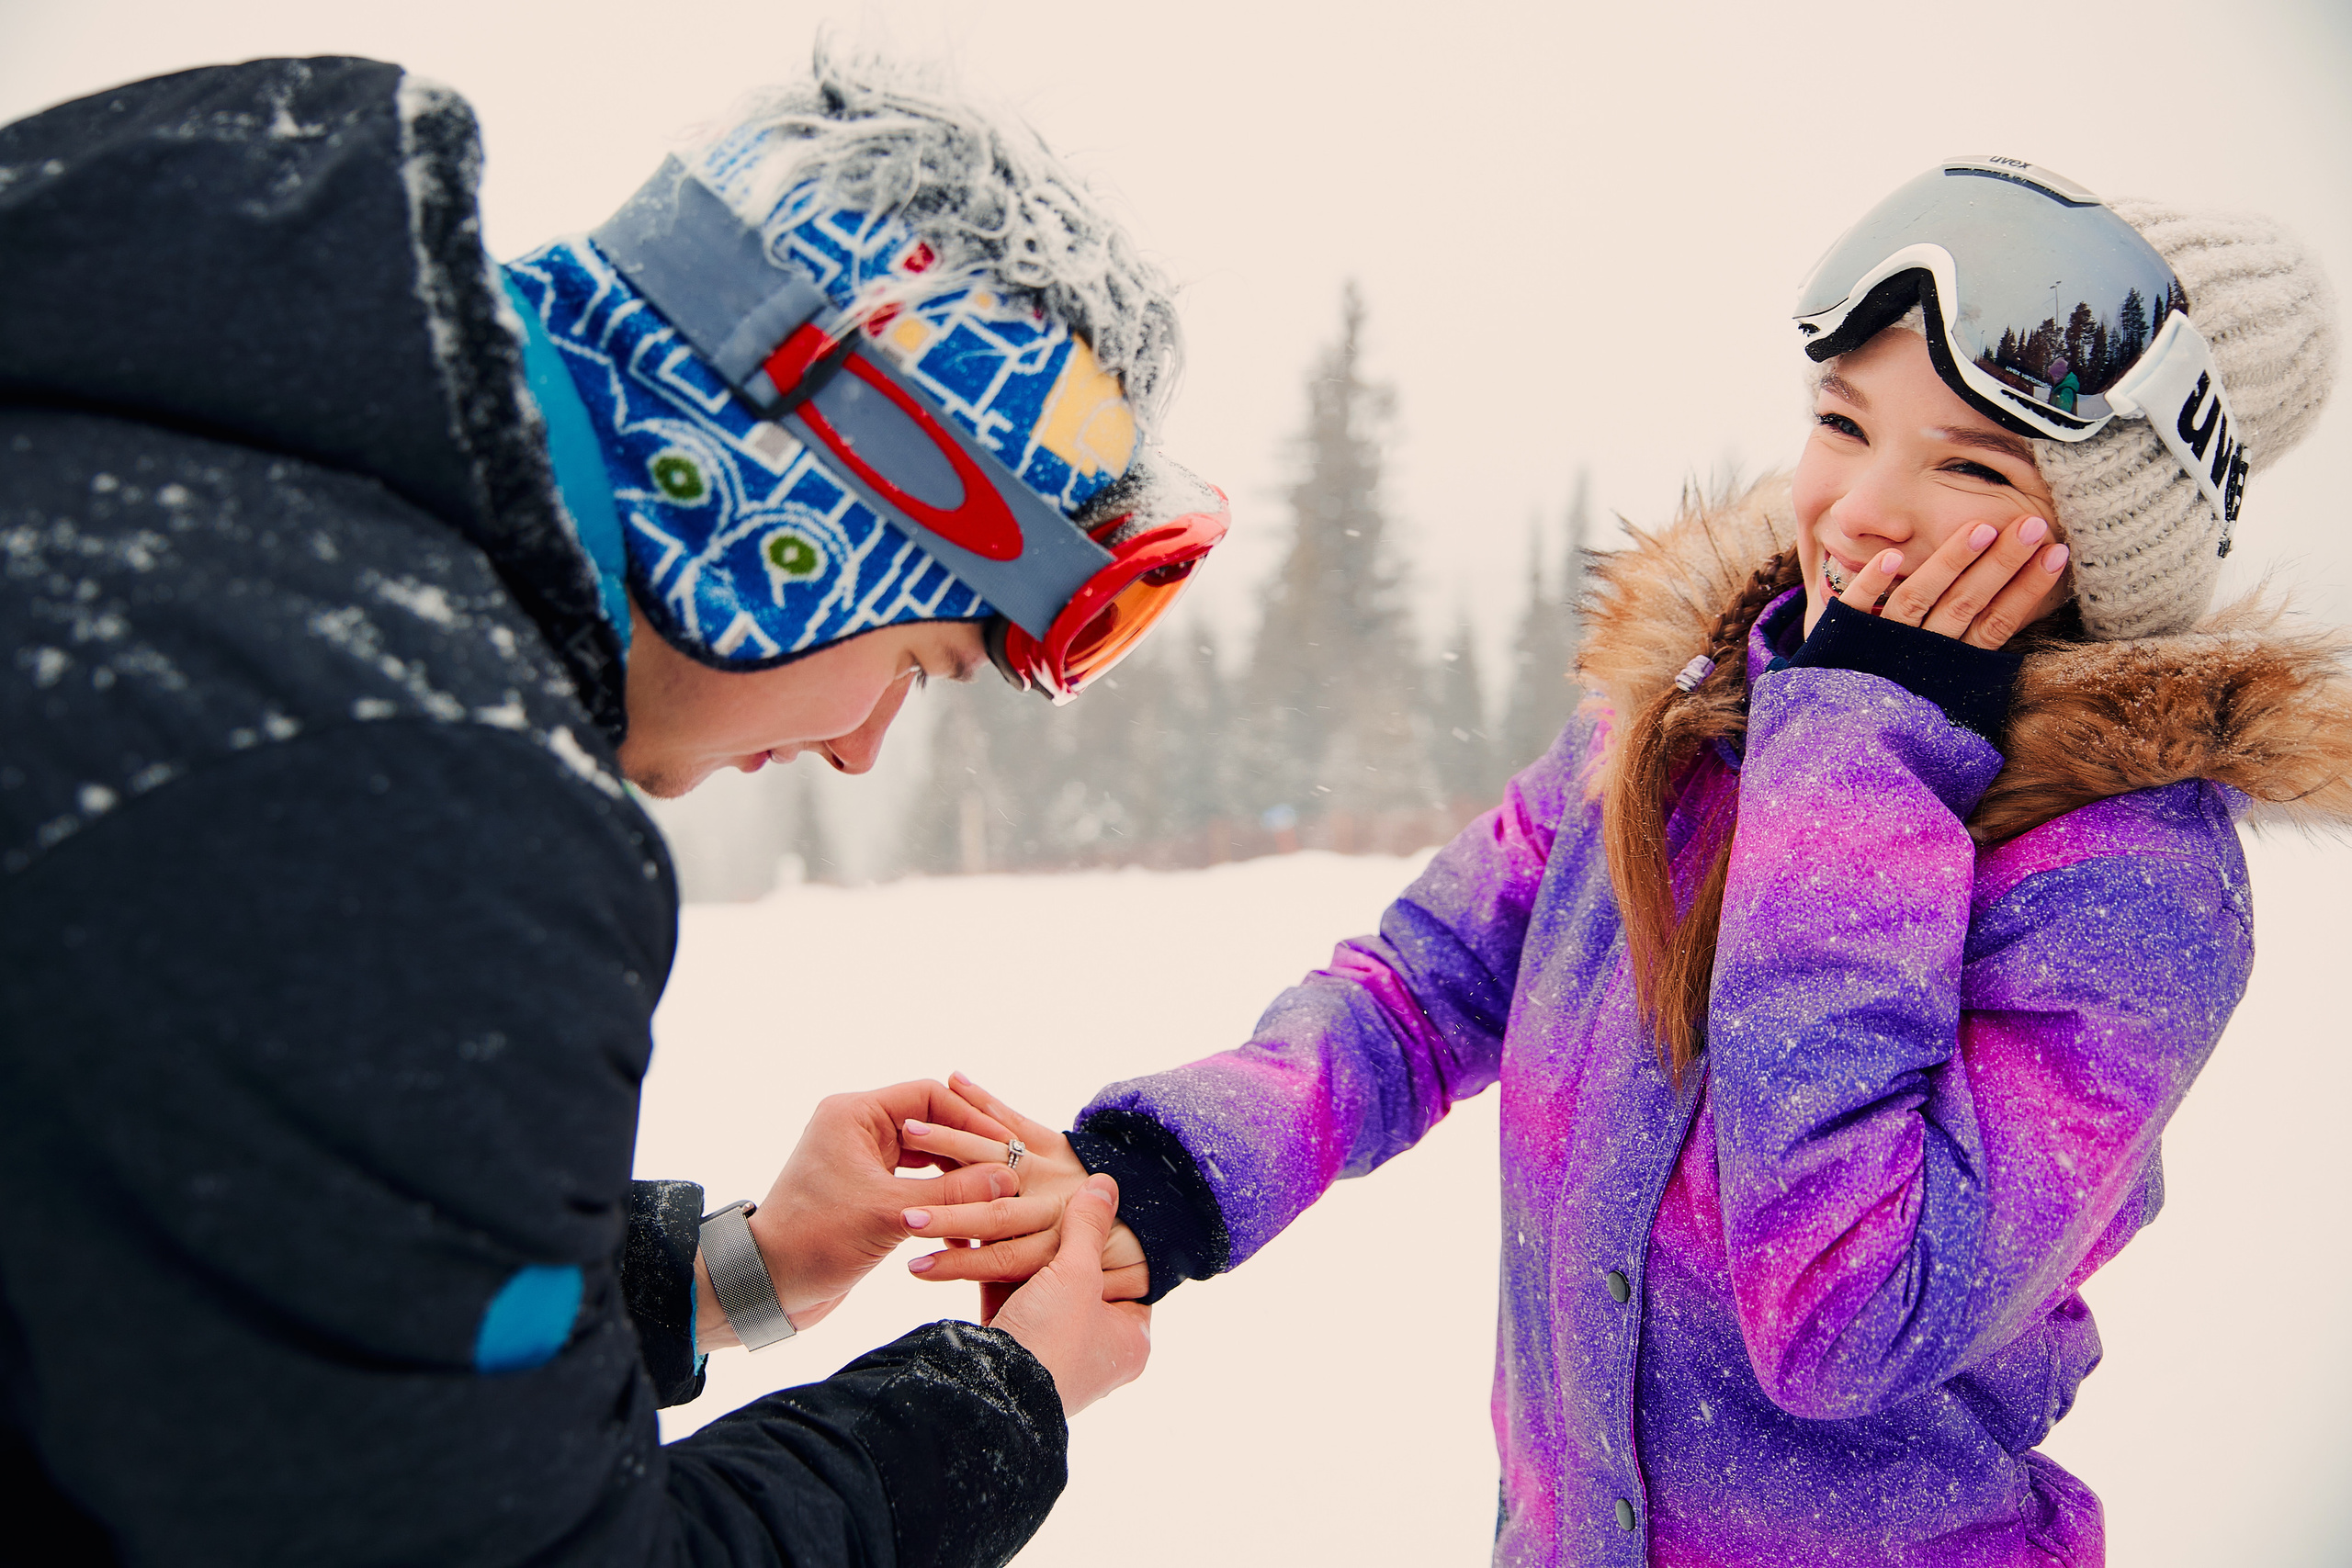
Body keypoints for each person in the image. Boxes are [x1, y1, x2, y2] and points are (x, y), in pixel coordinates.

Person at [901, 158, 2348, 1564]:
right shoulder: (1685, 721)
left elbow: (1845, 1307)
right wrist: (1174, 1180)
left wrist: (1864, 763)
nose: (1858, 509)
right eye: (1843, 423)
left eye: (1969, 463)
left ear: (2104, 549)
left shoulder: (2126, 887)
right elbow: (1429, 983)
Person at [0, 44, 1225, 1567]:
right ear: (799, 515)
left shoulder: (180, 506)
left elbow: (235, 1330)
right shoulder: (414, 800)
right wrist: (1003, 1401)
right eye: (915, 656)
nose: (858, 750)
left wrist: (740, 1268)